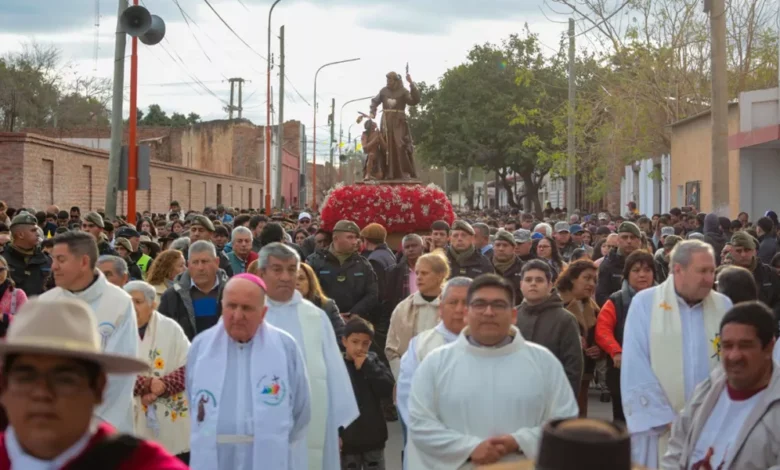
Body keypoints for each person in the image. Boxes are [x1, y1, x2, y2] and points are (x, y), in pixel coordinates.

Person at [404, 275, 579, 468]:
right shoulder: (436, 363)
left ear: (513, 315)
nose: (488, 312)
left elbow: (564, 420)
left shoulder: (543, 362)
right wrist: (469, 448)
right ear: (466, 313)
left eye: (498, 305)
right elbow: (420, 422)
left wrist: (520, 441)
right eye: (479, 304)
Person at [0, 299, 187, 469]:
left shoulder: (146, 465)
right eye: (25, 378)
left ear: (98, 387)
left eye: (64, 380)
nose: (42, 393)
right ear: (3, 386)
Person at [621, 240, 733, 468]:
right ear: (678, 270)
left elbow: (731, 365)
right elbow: (635, 364)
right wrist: (670, 421)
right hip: (661, 431)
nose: (709, 278)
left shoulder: (723, 306)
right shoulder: (645, 304)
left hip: (712, 428)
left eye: (712, 271)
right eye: (702, 271)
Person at [186, 273, 311, 470]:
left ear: (263, 312)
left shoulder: (285, 347)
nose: (237, 316)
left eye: (246, 308)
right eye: (231, 306)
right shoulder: (201, 347)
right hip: (216, 458)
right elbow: (192, 399)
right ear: (222, 306)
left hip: (267, 457)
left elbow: (301, 409)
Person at [257, 243, 358, 470]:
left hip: (312, 422)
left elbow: (334, 373)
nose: (286, 277)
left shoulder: (316, 318)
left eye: (291, 270)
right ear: (262, 273)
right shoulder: (250, 314)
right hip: (262, 421)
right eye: (277, 269)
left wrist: (336, 427)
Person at [40, 231, 138, 434]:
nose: (53, 266)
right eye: (53, 259)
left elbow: (120, 369)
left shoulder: (119, 303)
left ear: (84, 262)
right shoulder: (46, 303)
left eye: (61, 260)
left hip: (104, 421)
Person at [663, 302, 780, 470]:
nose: (734, 356)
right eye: (727, 346)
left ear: (769, 348)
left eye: (745, 346)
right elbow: (677, 445)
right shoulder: (709, 388)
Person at [396, 277, 472, 439]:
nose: (460, 309)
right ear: (441, 307)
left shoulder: (490, 344)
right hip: (431, 443)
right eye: (453, 302)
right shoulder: (420, 346)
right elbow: (408, 398)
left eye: (466, 303)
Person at [124, 281, 191, 463]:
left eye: (138, 302)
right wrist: (146, 385)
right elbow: (110, 371)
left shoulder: (170, 329)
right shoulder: (115, 330)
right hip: (129, 414)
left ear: (153, 304)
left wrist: (162, 386)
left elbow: (190, 365)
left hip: (168, 415)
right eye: (128, 302)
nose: (132, 307)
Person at [595, 250, 656, 423]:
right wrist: (616, 352)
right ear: (627, 274)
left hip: (656, 372)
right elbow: (603, 330)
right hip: (622, 371)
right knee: (623, 422)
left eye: (647, 270)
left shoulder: (665, 300)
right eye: (636, 270)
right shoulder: (616, 300)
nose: (642, 275)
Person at [515, 260, 583, 396]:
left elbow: (573, 367)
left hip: (550, 398)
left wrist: (565, 401)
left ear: (550, 285)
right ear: (521, 285)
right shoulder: (511, 316)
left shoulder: (565, 319)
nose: (533, 284)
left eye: (539, 280)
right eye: (528, 280)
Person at [339, 317, 395, 470]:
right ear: (344, 341)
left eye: (365, 343)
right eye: (355, 342)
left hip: (373, 438)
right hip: (348, 440)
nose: (359, 348)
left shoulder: (373, 361)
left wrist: (367, 366)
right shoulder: (338, 366)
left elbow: (388, 389)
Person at [385, 252, 449, 380]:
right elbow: (391, 349)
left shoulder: (452, 308)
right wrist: (403, 377)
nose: (418, 277)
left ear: (440, 276)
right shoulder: (403, 308)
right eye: (417, 273)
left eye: (424, 273)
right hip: (409, 378)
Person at [556, 259, 603, 417]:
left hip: (584, 372)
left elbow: (599, 335)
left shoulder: (594, 308)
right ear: (572, 278)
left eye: (594, 280)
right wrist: (571, 339)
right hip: (560, 371)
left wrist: (598, 348)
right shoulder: (556, 304)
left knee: (580, 414)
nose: (591, 284)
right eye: (586, 278)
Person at [307, 220, 379, 321]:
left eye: (356, 237)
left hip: (354, 323)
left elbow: (372, 294)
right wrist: (331, 314)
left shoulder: (363, 264)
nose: (354, 242)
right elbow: (308, 291)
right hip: (324, 321)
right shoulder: (315, 261)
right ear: (336, 238)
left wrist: (353, 314)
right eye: (350, 237)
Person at [158, 241, 230, 340]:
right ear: (188, 264)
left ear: (216, 262)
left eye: (205, 261)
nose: (200, 268)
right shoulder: (171, 296)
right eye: (195, 262)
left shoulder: (232, 293)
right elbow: (162, 334)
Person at [368, 71, 421, 180]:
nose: (387, 82)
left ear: (396, 81)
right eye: (387, 80)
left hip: (399, 122)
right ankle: (388, 173)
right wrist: (372, 112)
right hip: (386, 122)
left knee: (400, 145)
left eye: (390, 80)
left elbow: (414, 101)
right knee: (386, 146)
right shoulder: (384, 91)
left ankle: (404, 172)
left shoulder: (403, 91)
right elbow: (374, 101)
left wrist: (411, 83)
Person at [728, 231, 780, 321]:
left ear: (754, 251)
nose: (743, 254)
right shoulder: (725, 276)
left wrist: (769, 316)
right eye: (738, 251)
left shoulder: (770, 273)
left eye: (747, 250)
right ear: (732, 252)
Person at [3, 213, 51, 297]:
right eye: (33, 230)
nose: (38, 234)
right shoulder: (3, 259)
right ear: (20, 235)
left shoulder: (46, 260)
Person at [296, 262, 345, 345]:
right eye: (292, 279)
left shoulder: (327, 306)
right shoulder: (278, 308)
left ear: (310, 282)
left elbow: (342, 337)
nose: (296, 283)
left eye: (301, 278)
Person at [596, 222, 642, 306]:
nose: (629, 241)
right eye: (624, 237)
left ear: (639, 241)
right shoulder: (608, 264)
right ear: (617, 240)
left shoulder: (647, 263)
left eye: (633, 237)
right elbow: (601, 296)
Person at [491, 230, 524, 305]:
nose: (501, 249)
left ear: (513, 248)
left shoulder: (523, 269)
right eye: (498, 245)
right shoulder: (484, 265)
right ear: (493, 247)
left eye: (505, 245)